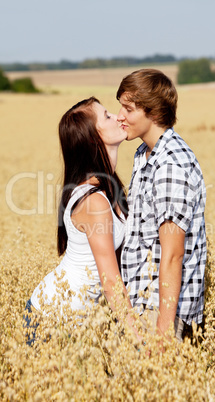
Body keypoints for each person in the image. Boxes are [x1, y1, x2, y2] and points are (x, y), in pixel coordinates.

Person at [24, 97, 135, 345]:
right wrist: (138, 339)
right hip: (52, 319)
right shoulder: (94, 201)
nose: (118, 117)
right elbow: (110, 282)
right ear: (94, 139)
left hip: (72, 320)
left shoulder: (107, 185)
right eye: (107, 116)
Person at [116, 69, 207, 343]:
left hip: (160, 312)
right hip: (143, 304)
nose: (120, 116)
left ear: (153, 112)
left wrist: (163, 336)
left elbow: (172, 255)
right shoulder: (144, 153)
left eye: (128, 109)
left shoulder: (169, 164)